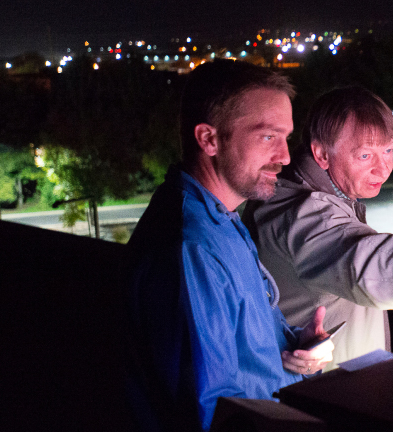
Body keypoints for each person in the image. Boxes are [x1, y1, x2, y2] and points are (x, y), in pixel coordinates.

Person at [126, 60, 334, 432]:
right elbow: (209, 410)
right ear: (208, 139)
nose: (285, 157)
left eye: (286, 138)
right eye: (268, 136)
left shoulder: (222, 219)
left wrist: (291, 346)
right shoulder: (192, 247)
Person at [248, 86, 393, 370]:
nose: (384, 169)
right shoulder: (302, 213)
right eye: (365, 156)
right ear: (321, 154)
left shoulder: (331, 196)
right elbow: (374, 265)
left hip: (341, 390)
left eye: (387, 150)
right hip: (322, 401)